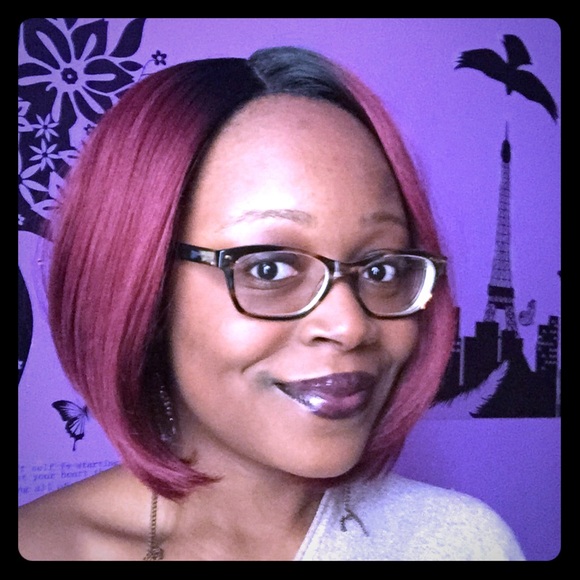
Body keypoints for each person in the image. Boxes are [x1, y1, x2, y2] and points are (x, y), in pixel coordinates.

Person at [18, 46, 525, 561]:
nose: (350, 325)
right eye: (269, 269)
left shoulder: (464, 543)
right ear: (141, 288)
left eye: (381, 270)